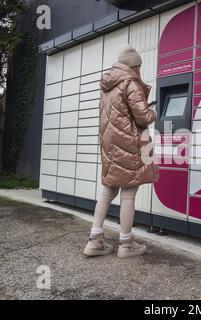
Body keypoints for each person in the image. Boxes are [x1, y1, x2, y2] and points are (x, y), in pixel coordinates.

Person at [84, 44, 159, 259]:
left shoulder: (108, 85)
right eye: (139, 67)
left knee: (107, 192)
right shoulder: (130, 83)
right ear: (134, 66)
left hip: (110, 145)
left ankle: (94, 240)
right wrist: (153, 111)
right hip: (128, 145)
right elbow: (143, 117)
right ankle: (126, 244)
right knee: (128, 195)